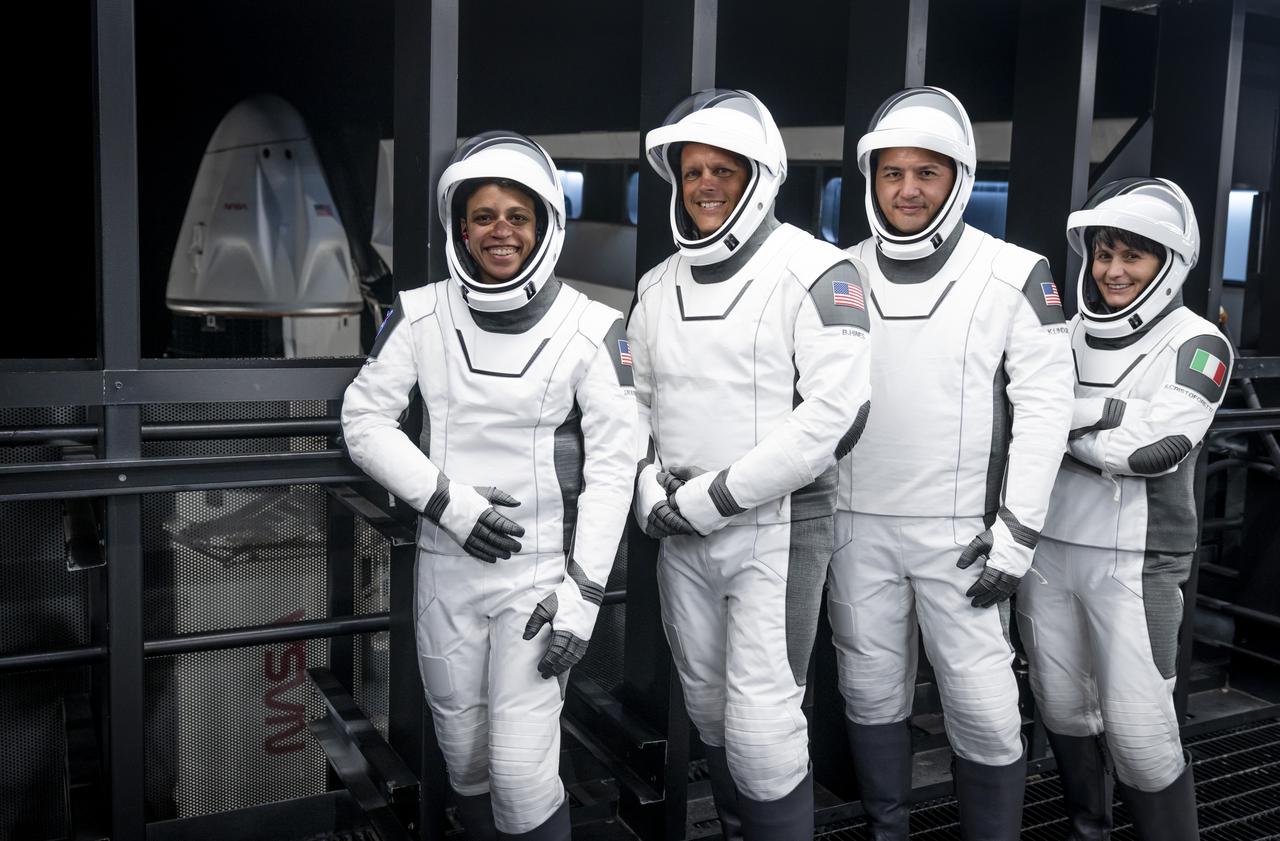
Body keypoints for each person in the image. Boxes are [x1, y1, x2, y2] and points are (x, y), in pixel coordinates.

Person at [341, 131, 636, 840]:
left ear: (545, 223)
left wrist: (584, 595)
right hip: (445, 572)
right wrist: (451, 503)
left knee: (523, 775)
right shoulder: (420, 313)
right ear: (461, 228)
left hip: (539, 583)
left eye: (517, 215)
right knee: (466, 759)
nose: (500, 230)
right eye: (483, 216)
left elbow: (615, 467)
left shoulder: (593, 328)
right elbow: (363, 419)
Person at [826, 86, 1075, 840]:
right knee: (869, 692)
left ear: (959, 177)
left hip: (965, 536)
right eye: (892, 173)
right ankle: (888, 829)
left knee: (986, 711)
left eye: (926, 173)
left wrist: (1018, 533)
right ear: (872, 180)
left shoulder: (1016, 273)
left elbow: (1045, 409)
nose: (907, 190)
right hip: (853, 527)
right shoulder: (835, 273)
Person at [629, 89, 873, 839]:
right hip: (679, 533)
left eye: (722, 170)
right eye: (692, 171)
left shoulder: (820, 269)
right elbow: (634, 404)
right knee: (708, 709)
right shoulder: (656, 285)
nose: (704, 185)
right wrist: (646, 487)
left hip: (777, 530)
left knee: (765, 729)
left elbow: (833, 416)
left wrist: (715, 498)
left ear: (760, 176)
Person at [1018, 177, 1229, 841]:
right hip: (1046, 548)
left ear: (1170, 262)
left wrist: (1056, 421)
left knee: (1142, 732)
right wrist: (1111, 413)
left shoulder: (1200, 343)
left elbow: (1152, 450)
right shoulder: (1062, 334)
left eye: (1132, 256)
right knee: (1062, 709)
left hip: (1137, 562)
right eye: (1104, 253)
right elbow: (1016, 413)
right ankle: (1090, 829)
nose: (1112, 270)